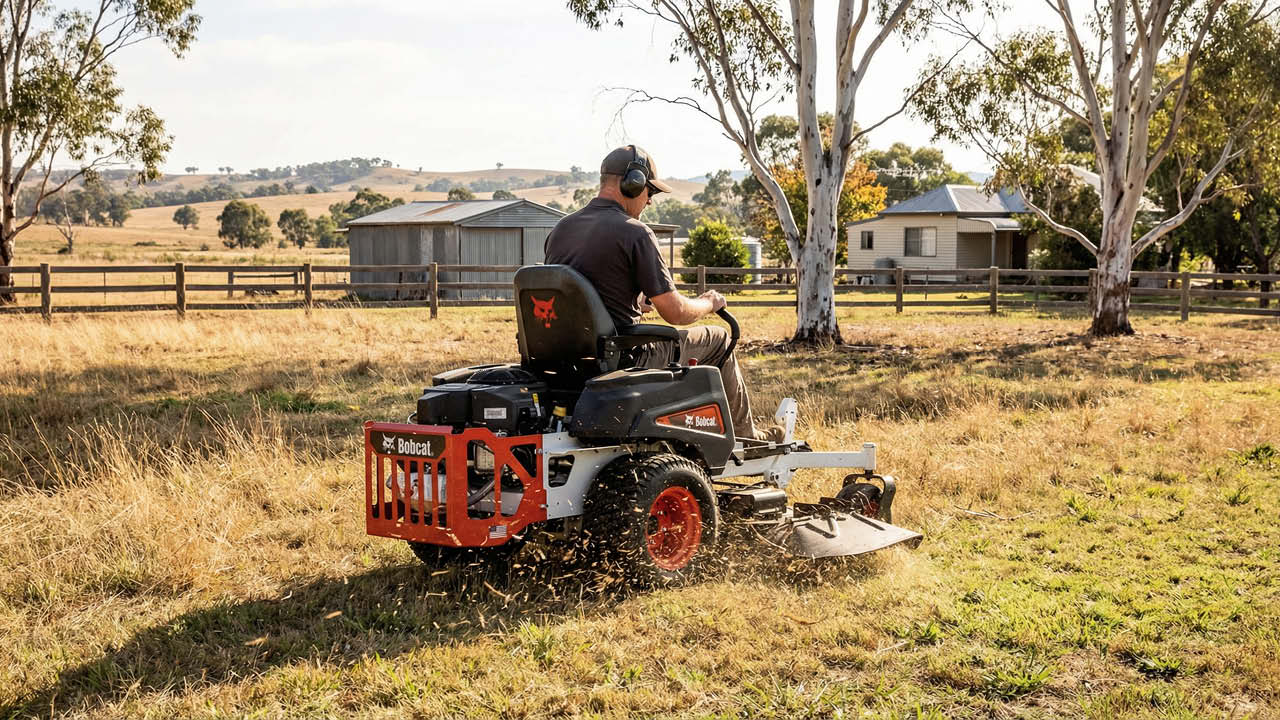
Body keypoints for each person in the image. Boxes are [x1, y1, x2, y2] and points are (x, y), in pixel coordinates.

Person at [543, 144, 783, 443]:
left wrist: (633, 301)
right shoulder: (635, 232)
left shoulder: (560, 229)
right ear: (633, 184)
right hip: (626, 356)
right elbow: (676, 313)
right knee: (719, 339)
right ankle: (748, 437)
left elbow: (580, 291)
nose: (650, 202)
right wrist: (709, 302)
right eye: (650, 193)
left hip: (568, 359)